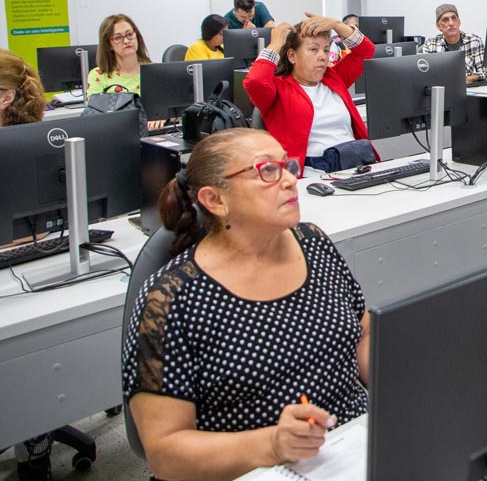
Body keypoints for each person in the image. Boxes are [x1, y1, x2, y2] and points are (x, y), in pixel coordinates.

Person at [122, 128, 369, 481]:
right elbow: (164, 453)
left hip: (348, 450)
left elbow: (362, 334)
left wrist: (400, 378)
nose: (289, 180)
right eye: (268, 170)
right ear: (215, 200)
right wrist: (271, 444)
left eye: (287, 166)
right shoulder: (171, 299)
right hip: (254, 471)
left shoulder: (313, 244)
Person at [0, 48, 58, 479]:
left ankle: (34, 443)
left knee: (35, 338)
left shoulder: (33, 149)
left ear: (5, 98)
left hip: (25, 275)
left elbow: (47, 224)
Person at [242, 13, 375, 169]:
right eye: (313, 49)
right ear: (292, 56)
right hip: (312, 174)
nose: (322, 57)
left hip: (355, 163)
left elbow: (366, 51)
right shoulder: (278, 90)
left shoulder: (334, 79)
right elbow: (255, 81)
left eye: (325, 50)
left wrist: (336, 24)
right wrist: (275, 44)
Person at [86, 13, 153, 95]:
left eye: (130, 34)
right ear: (108, 45)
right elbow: (94, 106)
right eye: (118, 38)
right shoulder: (98, 76)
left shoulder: (153, 72)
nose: (126, 41)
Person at [421, 4, 487, 83]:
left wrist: (463, 80)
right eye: (445, 20)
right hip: (441, 91)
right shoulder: (430, 45)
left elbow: (485, 74)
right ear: (439, 26)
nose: (451, 23)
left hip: (466, 90)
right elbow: (426, 76)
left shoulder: (474, 41)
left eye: (454, 18)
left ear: (459, 22)